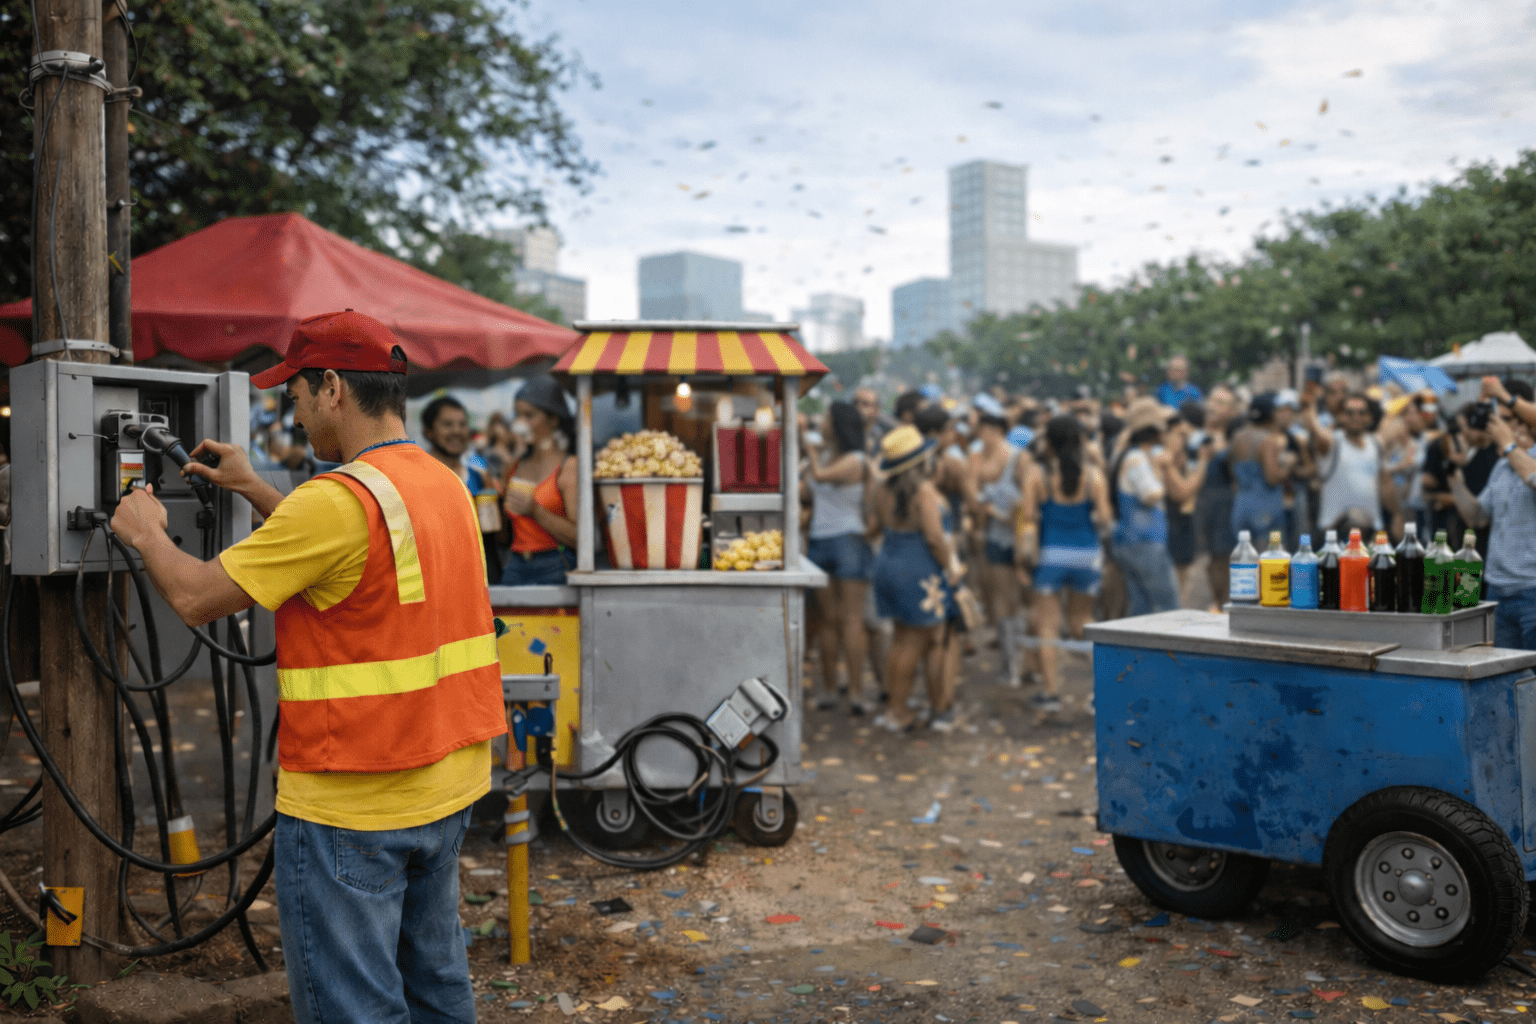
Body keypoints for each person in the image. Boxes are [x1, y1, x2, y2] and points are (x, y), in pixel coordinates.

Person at [109, 310, 504, 1024]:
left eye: (294, 392)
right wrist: (257, 488)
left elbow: (196, 597)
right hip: (446, 786)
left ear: (331, 389)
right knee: (437, 988)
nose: (292, 411)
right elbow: (352, 550)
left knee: (358, 1010)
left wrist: (145, 534)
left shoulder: (333, 502)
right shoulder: (445, 483)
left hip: (354, 803)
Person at [869, 426, 963, 733]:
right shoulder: (922, 492)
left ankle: (894, 708)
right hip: (919, 568)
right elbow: (935, 537)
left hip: (889, 561)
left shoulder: (882, 489)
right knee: (923, 640)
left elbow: (874, 526)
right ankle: (902, 711)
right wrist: (950, 567)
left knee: (900, 639)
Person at [1016, 415, 1111, 716]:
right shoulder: (1094, 475)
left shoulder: (1037, 474)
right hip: (1087, 555)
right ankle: (1100, 694)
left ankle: (1051, 693)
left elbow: (1028, 517)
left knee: (1047, 626)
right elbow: (1106, 518)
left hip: (1050, 555)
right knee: (1082, 620)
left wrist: (1023, 558)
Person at [1450, 384, 1536, 649]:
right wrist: (1453, 472)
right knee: (1504, 681)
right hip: (1496, 590)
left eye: (1507, 421)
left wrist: (1508, 445)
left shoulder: (1519, 459)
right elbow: (1477, 518)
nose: (1498, 426)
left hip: (1532, 591)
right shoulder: (1501, 466)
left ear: (1527, 424)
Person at [804, 401, 875, 713]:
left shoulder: (856, 460)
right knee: (830, 622)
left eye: (827, 418)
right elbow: (808, 490)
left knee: (850, 620)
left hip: (846, 538)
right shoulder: (831, 455)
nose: (821, 421)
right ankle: (832, 689)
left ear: (838, 424)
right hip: (825, 539)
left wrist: (808, 451)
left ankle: (855, 691)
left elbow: (820, 477)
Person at [496, 376, 579, 586]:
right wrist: (496, 500)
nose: (520, 424)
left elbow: (581, 538)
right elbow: (503, 538)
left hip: (555, 563)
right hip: (515, 563)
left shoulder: (569, 466)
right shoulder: (512, 466)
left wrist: (535, 510)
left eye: (529, 415)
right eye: (517, 416)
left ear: (554, 419)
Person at [969, 402, 1030, 685]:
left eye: (981, 430)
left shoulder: (1018, 458)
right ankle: (1011, 665)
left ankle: (1025, 662)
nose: (978, 435)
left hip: (1020, 539)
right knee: (1002, 602)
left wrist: (1006, 513)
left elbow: (1030, 499)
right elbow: (972, 496)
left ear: (993, 430)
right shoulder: (976, 457)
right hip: (994, 537)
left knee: (1024, 602)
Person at [1109, 398, 1182, 616]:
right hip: (1144, 542)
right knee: (1167, 604)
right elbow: (1151, 494)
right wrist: (1162, 468)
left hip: (1133, 541)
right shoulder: (1137, 458)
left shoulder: (1132, 455)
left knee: (1142, 606)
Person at [422, 395, 501, 583]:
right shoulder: (417, 476)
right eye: (447, 424)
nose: (457, 431)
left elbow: (497, 537)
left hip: (478, 579)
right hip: (436, 579)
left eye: (462, 424)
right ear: (428, 432)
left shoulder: (480, 476)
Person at [1305, 390, 1397, 535]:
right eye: (1349, 412)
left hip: (1372, 528)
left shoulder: (1376, 443)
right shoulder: (1332, 443)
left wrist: (1397, 515)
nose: (1356, 417)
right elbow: (1314, 428)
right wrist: (1310, 406)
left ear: (1369, 417)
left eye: (1362, 412)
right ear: (1340, 416)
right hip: (1334, 530)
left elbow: (1385, 483)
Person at [1159, 403, 1212, 600]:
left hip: (1182, 521)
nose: (1185, 438)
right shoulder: (1163, 457)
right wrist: (1203, 462)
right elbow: (1183, 493)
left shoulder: (1179, 457)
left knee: (1182, 578)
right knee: (1176, 585)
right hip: (1170, 524)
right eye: (1180, 434)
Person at [1193, 384, 1238, 609]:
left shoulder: (1233, 438)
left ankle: (1221, 603)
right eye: (1212, 400)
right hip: (1193, 504)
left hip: (1222, 504)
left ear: (1231, 410)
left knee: (1222, 557)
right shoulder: (1190, 431)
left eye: (1221, 403)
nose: (1213, 406)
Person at [1229, 393, 1289, 541]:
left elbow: (1232, 470)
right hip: (1265, 505)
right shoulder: (1268, 440)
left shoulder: (1237, 436)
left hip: (1241, 504)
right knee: (1269, 559)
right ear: (1271, 414)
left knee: (1245, 558)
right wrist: (1288, 465)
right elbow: (1272, 477)